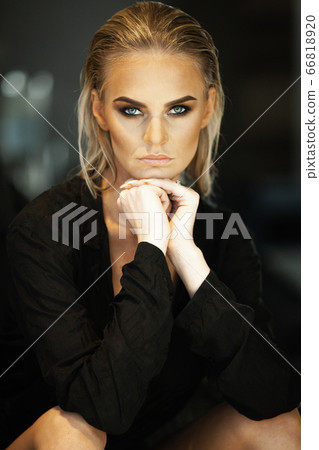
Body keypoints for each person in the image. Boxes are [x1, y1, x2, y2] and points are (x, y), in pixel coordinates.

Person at [0, 1, 301, 449]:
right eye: (132, 111)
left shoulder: (221, 232)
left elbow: (273, 395)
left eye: (178, 110)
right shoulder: (44, 230)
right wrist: (152, 249)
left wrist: (187, 257)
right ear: (100, 110)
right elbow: (102, 409)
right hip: (56, 442)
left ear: (207, 108)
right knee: (71, 433)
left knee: (281, 427)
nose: (156, 140)